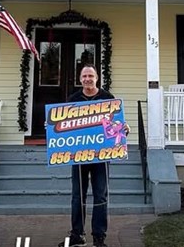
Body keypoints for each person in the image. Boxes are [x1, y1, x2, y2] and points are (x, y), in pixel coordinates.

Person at [59, 65, 122, 247]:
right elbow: (63, 126)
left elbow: (116, 124)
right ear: (80, 79)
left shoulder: (107, 98)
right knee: (77, 196)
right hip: (78, 156)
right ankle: (77, 234)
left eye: (91, 76)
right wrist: (52, 128)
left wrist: (125, 128)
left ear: (97, 78)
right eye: (84, 76)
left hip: (101, 156)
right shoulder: (73, 100)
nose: (87, 79)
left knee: (100, 196)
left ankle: (99, 236)